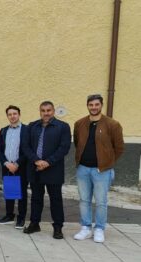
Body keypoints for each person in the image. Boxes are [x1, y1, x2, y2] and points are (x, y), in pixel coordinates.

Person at [73, 94, 124, 243]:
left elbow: (119, 147)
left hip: (102, 170)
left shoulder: (112, 124)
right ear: (87, 106)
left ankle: (100, 228)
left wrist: (108, 162)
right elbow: (77, 142)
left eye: (96, 104)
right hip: (83, 168)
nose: (94, 107)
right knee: (84, 200)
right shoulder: (80, 123)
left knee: (101, 201)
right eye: (91, 105)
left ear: (101, 105)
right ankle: (86, 228)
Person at [22, 101, 71, 239]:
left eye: (48, 110)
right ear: (40, 111)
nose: (46, 113)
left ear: (53, 111)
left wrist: (48, 162)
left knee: (56, 199)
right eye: (43, 110)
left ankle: (58, 227)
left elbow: (64, 148)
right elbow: (25, 146)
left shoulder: (63, 127)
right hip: (35, 168)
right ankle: (34, 223)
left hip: (53, 169)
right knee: (36, 198)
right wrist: (37, 161)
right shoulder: (32, 126)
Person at [0, 105, 28, 228]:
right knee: (9, 192)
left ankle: (21, 217)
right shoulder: (3, 131)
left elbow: (28, 150)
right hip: (7, 166)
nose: (12, 116)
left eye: (14, 113)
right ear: (7, 116)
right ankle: (9, 215)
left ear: (19, 114)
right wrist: (6, 163)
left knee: (22, 193)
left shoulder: (26, 129)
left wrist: (17, 163)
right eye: (9, 114)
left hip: (21, 166)